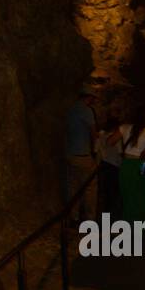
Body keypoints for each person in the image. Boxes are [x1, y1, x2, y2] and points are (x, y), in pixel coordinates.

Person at [64, 88, 98, 223]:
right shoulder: (86, 111)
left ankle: (74, 216)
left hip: (71, 154)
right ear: (89, 97)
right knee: (90, 187)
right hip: (83, 155)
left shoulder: (70, 110)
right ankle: (90, 218)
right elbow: (93, 133)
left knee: (73, 187)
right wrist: (95, 150)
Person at [118, 103, 145, 224]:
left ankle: (128, 224)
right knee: (142, 195)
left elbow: (110, 141)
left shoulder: (124, 128)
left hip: (127, 164)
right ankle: (143, 225)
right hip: (141, 165)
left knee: (127, 195)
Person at [96, 115, 123, 221]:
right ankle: (113, 220)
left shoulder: (101, 135)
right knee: (114, 195)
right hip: (114, 167)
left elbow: (97, 150)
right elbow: (120, 153)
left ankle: (103, 220)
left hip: (103, 165)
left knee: (105, 195)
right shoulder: (116, 138)